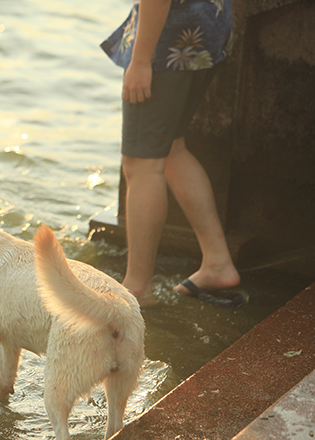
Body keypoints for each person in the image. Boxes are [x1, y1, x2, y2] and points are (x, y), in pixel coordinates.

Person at [100, 0, 240, 305]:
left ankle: (137, 287)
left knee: (142, 165)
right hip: (208, 26)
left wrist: (140, 61)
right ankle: (217, 262)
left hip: (168, 40)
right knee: (172, 149)